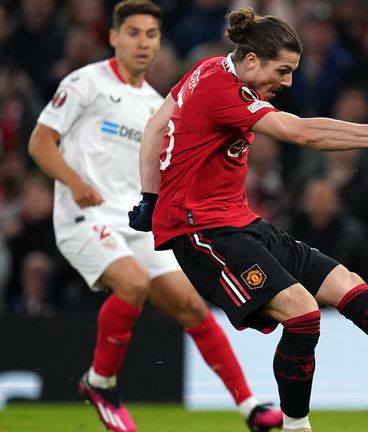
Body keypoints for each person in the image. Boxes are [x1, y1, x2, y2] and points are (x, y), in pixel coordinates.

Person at [129, 9, 368, 432]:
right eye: (282, 70)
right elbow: (302, 134)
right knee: (302, 312)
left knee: (346, 285)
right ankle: (296, 428)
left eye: (292, 72)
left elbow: (155, 125)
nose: (287, 83)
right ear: (251, 60)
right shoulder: (222, 89)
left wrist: (149, 196)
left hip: (240, 222)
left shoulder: (207, 68)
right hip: (202, 231)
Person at [27, 2, 282, 431]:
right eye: (133, 33)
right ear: (113, 37)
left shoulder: (157, 104)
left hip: (135, 221)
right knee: (133, 283)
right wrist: (74, 182)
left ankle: (250, 407)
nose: (143, 42)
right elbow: (40, 142)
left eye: (151, 34)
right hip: (84, 216)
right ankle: (101, 383)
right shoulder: (85, 83)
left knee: (191, 306)